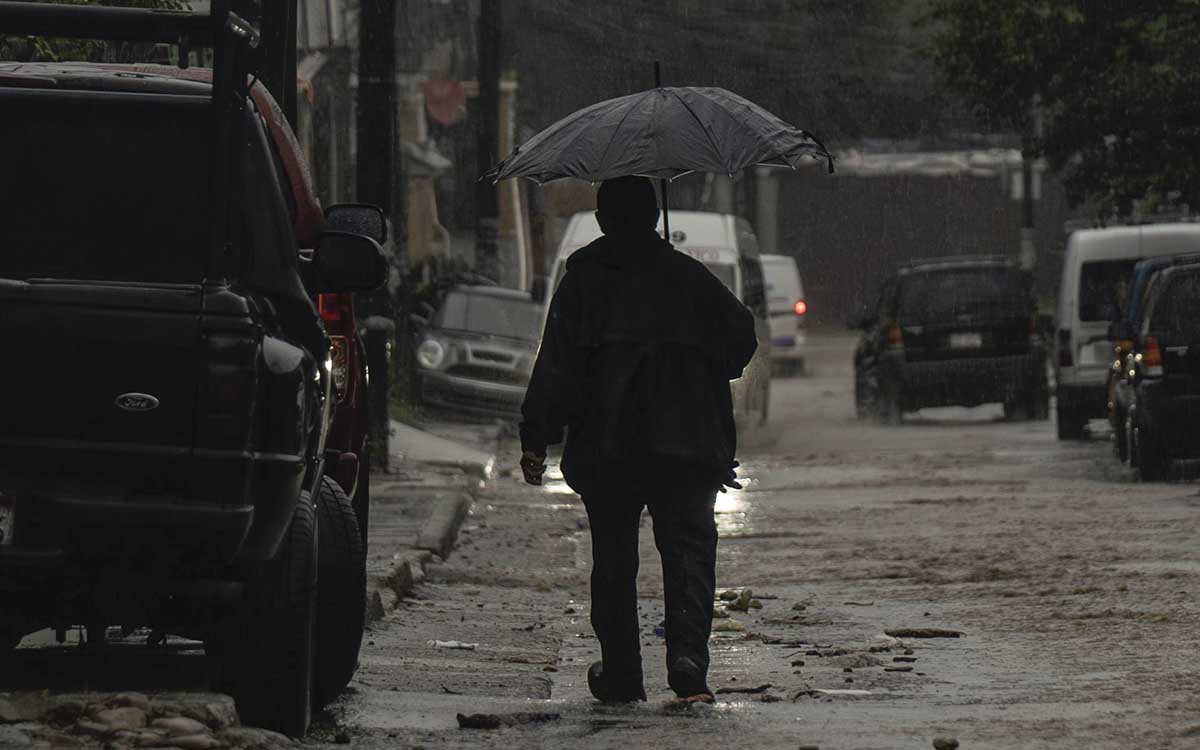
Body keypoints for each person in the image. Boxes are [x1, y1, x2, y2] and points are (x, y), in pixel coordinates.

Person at [519, 175, 758, 702]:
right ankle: (688, 660)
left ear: (603, 221)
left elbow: (556, 364)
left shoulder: (583, 282)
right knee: (689, 551)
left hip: (609, 447)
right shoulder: (689, 278)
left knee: (613, 559)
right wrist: (702, 365)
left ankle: (623, 673)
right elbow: (742, 337)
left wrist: (536, 436)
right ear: (654, 218)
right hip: (686, 444)